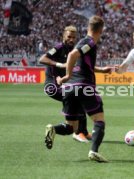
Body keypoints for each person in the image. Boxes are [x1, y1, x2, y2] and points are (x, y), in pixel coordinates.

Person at [44, 15, 112, 162]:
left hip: (69, 89)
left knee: (72, 127)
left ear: (88, 27)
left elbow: (81, 63)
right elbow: (72, 55)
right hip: (84, 86)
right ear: (100, 30)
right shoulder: (90, 42)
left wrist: (102, 70)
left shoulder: (81, 43)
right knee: (99, 120)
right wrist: (67, 75)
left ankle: (53, 129)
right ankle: (93, 151)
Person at [39, 25, 92, 143]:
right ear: (64, 36)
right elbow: (42, 59)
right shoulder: (58, 47)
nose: (71, 39)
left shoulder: (73, 51)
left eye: (73, 37)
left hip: (62, 85)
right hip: (52, 86)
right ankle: (78, 133)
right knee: (78, 100)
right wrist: (59, 65)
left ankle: (83, 131)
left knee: (81, 100)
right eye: (69, 37)